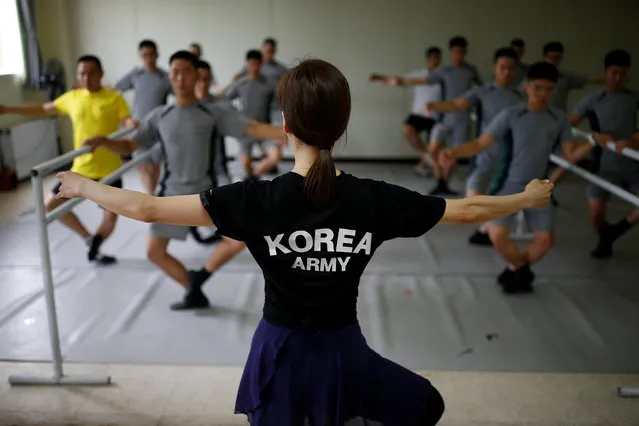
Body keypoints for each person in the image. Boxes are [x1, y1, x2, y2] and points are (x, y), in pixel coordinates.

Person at [55, 58, 553, 426]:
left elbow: (147, 207)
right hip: (343, 352)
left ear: (286, 128)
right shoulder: (371, 199)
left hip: (279, 354)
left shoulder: (255, 200)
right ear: (341, 129)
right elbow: (464, 210)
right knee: (427, 406)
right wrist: (526, 200)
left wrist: (79, 184)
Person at [82, 51, 286, 310]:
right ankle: (193, 288)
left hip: (206, 193)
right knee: (154, 252)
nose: (180, 77)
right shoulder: (160, 115)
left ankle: (201, 275)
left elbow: (254, 129)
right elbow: (129, 145)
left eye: (186, 72)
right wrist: (104, 141)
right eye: (175, 72)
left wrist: (291, 131)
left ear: (196, 75)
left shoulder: (212, 112)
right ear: (170, 77)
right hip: (172, 194)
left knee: (238, 239)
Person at [441, 62, 605, 294]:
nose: (543, 94)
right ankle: (519, 269)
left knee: (545, 242)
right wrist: (454, 152)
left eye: (549, 89)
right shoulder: (511, 115)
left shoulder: (558, 118)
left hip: (538, 189)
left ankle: (515, 269)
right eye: (538, 87)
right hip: (508, 184)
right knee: (497, 235)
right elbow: (480, 143)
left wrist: (592, 142)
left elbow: (569, 154)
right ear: (527, 87)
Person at [0, 55, 133, 266]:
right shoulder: (72, 97)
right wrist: (8, 109)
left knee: (110, 221)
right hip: (81, 168)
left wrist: (131, 122)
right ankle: (88, 239)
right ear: (78, 76)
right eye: (82, 73)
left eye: (91, 73)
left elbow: (127, 120)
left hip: (110, 171)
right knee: (49, 205)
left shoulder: (114, 98)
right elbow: (44, 109)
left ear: (101, 74)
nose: (86, 78)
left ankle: (96, 242)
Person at [426, 47, 522, 245]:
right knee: (473, 190)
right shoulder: (483, 91)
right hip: (484, 150)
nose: (506, 72)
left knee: (502, 192)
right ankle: (488, 226)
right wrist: (435, 106)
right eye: (503, 67)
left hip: (511, 154)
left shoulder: (521, 96)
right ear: (495, 68)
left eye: (511, 68)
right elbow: (458, 104)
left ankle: (488, 229)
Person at [377, 36, 482, 196]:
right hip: (444, 117)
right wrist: (399, 81)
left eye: (462, 52)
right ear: (451, 52)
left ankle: (444, 183)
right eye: (455, 52)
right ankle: (439, 180)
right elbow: (422, 80)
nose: (459, 55)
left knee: (456, 153)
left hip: (462, 119)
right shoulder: (444, 71)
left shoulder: (470, 71)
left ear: (465, 52)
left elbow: (481, 89)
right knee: (432, 150)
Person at [568, 49, 639, 259]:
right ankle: (605, 237)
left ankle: (617, 230)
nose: (618, 77)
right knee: (596, 218)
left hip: (631, 164)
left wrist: (633, 140)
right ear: (606, 72)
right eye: (614, 72)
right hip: (602, 166)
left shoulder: (634, 98)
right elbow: (567, 125)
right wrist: (590, 140)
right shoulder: (593, 100)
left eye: (623, 73)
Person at [538, 42, 605, 193]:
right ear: (544, 57)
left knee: (569, 157)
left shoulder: (564, 78)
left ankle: (547, 188)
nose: (555, 61)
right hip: (536, 125)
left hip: (557, 126)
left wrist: (608, 80)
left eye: (558, 58)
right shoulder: (532, 78)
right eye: (552, 57)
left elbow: (586, 79)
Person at [370, 47, 442, 176]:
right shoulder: (419, 74)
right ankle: (425, 156)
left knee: (433, 146)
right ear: (428, 59)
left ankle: (423, 166)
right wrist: (381, 78)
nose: (436, 61)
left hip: (437, 115)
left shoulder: (444, 77)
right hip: (419, 113)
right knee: (408, 130)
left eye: (438, 58)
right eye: (433, 58)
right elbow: (400, 80)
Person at [114, 39, 172, 195]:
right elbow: (115, 89)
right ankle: (150, 195)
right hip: (138, 126)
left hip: (159, 127)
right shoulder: (136, 75)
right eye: (145, 55)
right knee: (143, 165)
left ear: (157, 55)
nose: (149, 58)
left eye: (152, 54)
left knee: (154, 165)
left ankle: (152, 193)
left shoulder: (165, 77)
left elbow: (181, 95)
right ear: (140, 56)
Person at [226, 50, 282, 180]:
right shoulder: (240, 83)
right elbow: (225, 100)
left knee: (275, 156)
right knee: (245, 164)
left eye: (257, 64)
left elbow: (276, 109)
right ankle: (251, 179)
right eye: (251, 64)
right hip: (246, 129)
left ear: (261, 64)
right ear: (247, 64)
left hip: (264, 128)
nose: (254, 68)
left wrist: (279, 130)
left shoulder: (269, 84)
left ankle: (253, 177)